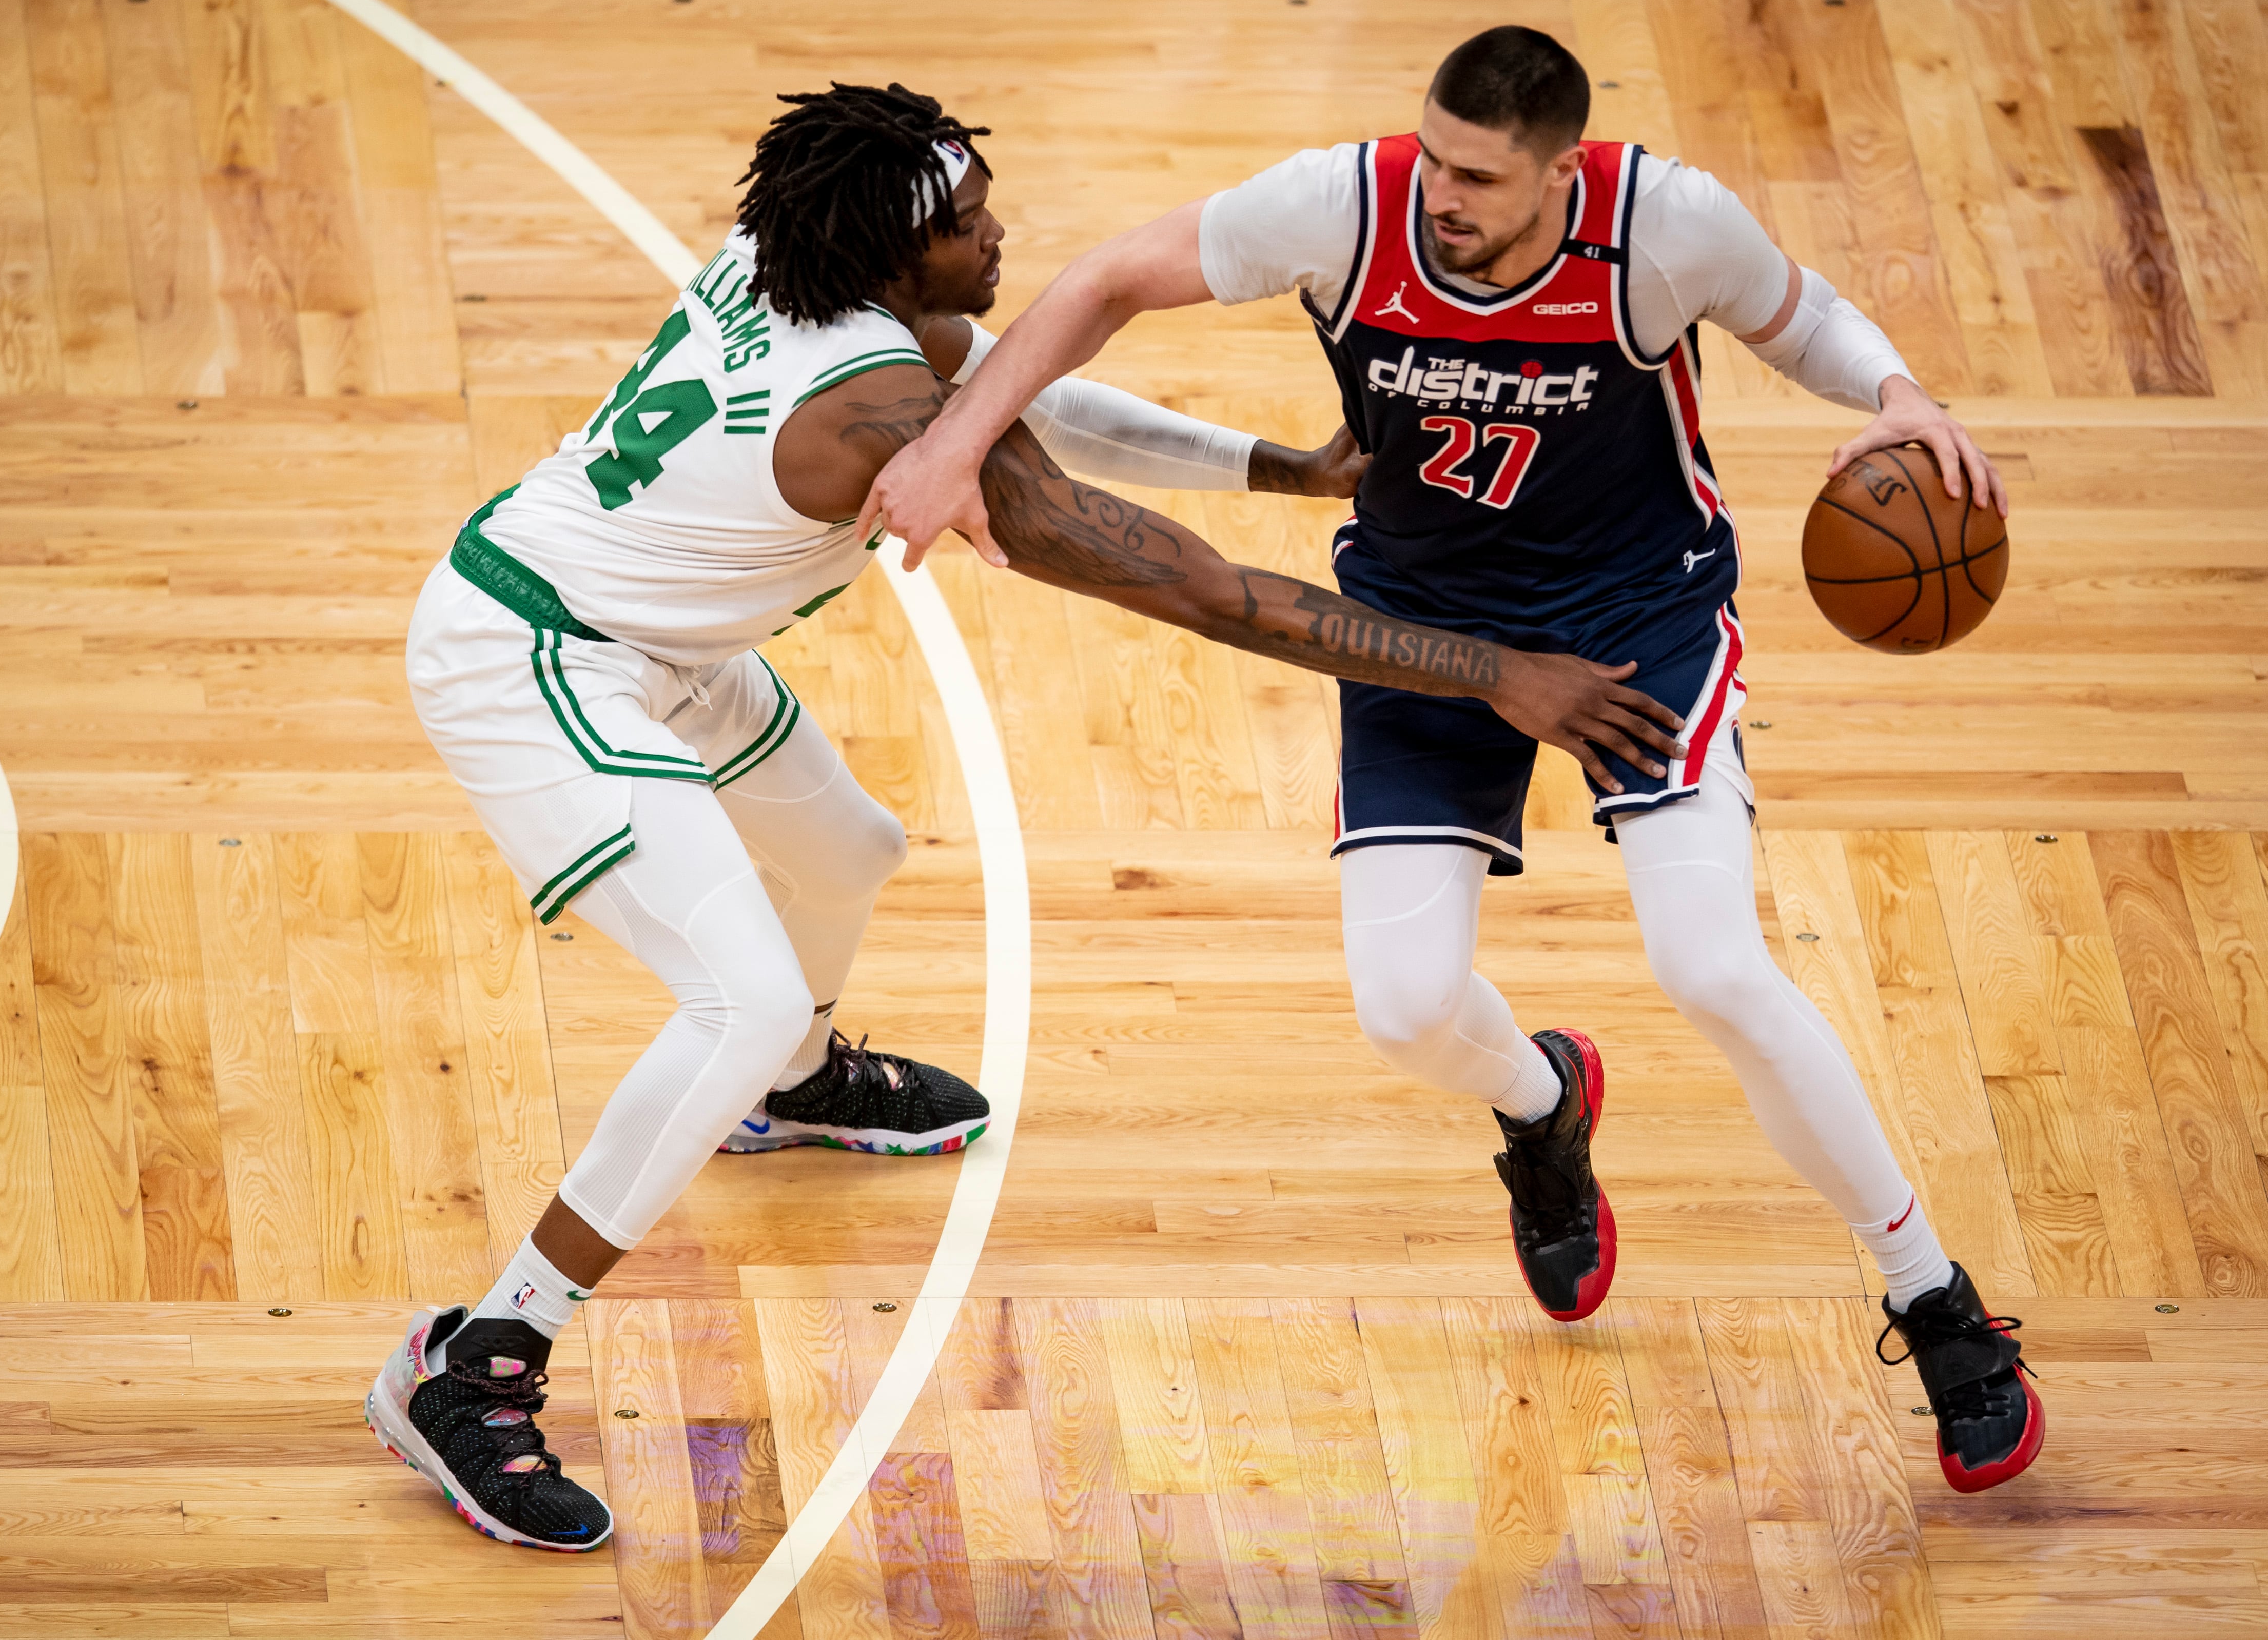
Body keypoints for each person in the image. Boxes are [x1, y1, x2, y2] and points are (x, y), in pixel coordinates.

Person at [368, 81, 1692, 1551]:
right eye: (964, 223)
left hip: (652, 639)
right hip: (534, 657)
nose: (997, 232)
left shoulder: (793, 257)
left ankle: (795, 1084)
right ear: (888, 253)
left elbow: (1025, 386)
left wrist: (1278, 464)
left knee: (847, 848)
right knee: (731, 993)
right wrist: (1491, 673)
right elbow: (1199, 592)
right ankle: (478, 1358)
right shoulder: (869, 406)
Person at [859, 32, 2042, 1494]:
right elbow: (1103, 280)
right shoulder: (1341, 210)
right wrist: (957, 441)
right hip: (1420, 626)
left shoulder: (1661, 225)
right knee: (1403, 1007)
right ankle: (1544, 1104)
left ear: (1563, 170)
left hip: (1635, 620)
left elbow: (1795, 317)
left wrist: (1899, 395)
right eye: (1431, 157)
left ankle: (1935, 1301)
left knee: (1714, 966)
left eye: (1479, 178)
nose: (1442, 197)